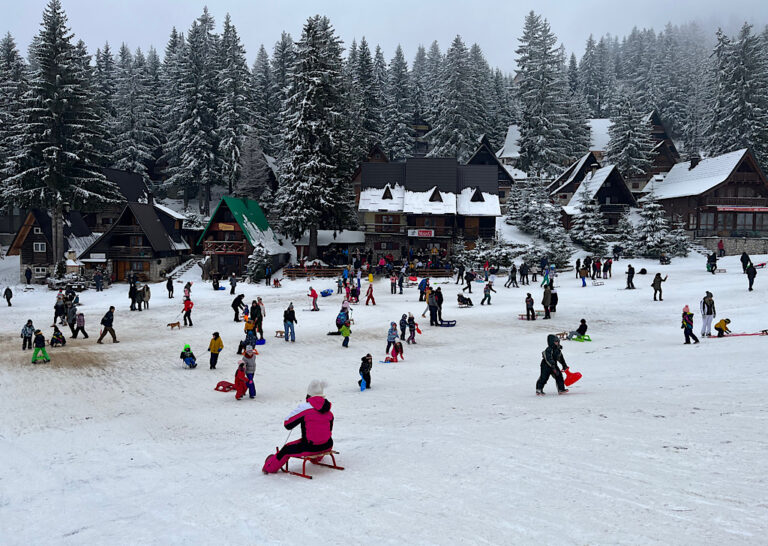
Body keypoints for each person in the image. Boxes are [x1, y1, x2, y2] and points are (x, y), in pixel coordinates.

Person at [262, 380, 334, 474]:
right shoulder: (328, 411)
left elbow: (287, 424)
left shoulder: (305, 408)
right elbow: (329, 429)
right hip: (328, 445)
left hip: (310, 447)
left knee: (286, 449)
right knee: (318, 437)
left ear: (308, 395)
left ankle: (268, 467)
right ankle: (317, 457)